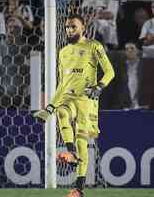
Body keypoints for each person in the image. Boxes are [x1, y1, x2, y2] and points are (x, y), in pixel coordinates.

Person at [33, 14, 115, 197]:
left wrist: (99, 87)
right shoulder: (63, 52)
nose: (69, 30)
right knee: (61, 113)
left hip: (87, 101)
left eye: (73, 27)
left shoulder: (94, 46)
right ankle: (70, 153)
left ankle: (78, 188)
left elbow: (110, 71)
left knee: (82, 143)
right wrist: (49, 109)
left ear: (83, 27)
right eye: (67, 27)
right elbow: (62, 85)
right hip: (68, 99)